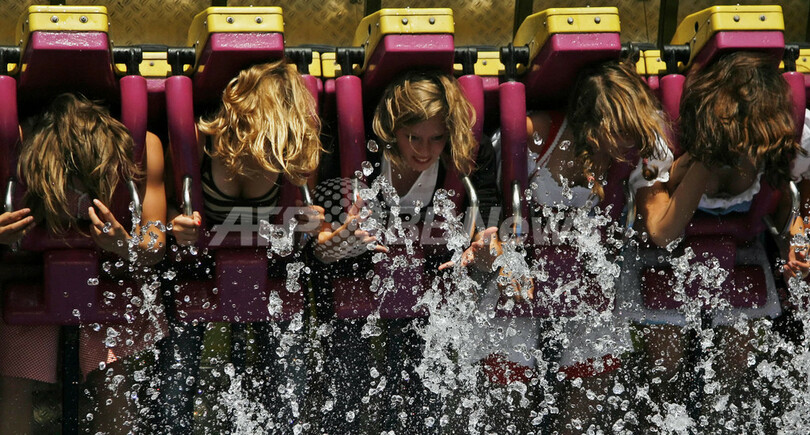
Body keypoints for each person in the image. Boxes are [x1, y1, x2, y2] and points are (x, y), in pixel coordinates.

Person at [458, 59, 681, 433]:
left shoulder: (643, 143)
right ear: (591, 124)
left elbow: (658, 225)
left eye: (635, 130)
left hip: (583, 268)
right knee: (508, 394)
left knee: (596, 372)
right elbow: (482, 189)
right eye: (620, 132)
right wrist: (487, 244)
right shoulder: (536, 135)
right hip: (517, 264)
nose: (630, 142)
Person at [311, 69, 498, 433]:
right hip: (356, 275)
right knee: (347, 389)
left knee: (422, 396)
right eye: (413, 137)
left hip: (428, 276)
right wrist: (332, 246)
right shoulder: (353, 148)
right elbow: (315, 244)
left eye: (437, 138)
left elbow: (491, 224)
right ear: (391, 129)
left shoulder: (470, 153)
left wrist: (485, 257)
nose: (425, 151)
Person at [634, 50, 810, 429]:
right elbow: (662, 233)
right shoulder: (665, 144)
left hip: (743, 252)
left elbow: (792, 202)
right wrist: (705, 159)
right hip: (665, 259)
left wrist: (797, 239)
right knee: (666, 367)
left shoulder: (779, 142)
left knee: (736, 364)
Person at [166, 59, 324, 432]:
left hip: (268, 267)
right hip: (200, 265)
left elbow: (303, 228)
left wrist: (308, 225)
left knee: (286, 393)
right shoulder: (199, 141)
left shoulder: (293, 153)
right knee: (175, 390)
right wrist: (176, 224)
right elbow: (168, 206)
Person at [0, 92, 167, 434]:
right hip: (27, 278)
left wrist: (124, 244)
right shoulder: (13, 147)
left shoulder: (142, 148)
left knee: (112, 380)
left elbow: (154, 248)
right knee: (16, 382)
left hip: (106, 278)